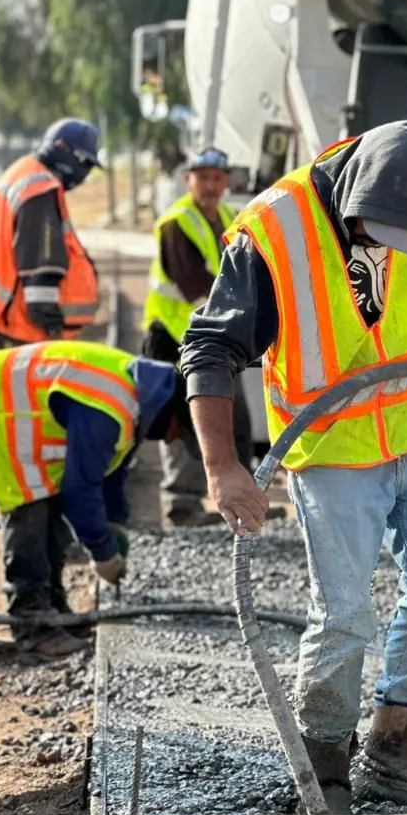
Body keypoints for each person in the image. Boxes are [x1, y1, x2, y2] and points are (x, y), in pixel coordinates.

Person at [180, 120, 407, 815]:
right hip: (332, 451)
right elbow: (208, 350)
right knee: (346, 614)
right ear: (353, 194)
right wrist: (223, 467)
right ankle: (323, 769)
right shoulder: (273, 231)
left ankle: (393, 753)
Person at [0, 341, 196, 658]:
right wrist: (103, 552)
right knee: (30, 505)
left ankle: (53, 610)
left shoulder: (137, 391)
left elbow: (111, 473)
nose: (172, 438)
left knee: (49, 499)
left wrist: (114, 527)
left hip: (4, 406)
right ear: (169, 411)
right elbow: (81, 491)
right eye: (177, 430)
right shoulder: (110, 406)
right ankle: (32, 624)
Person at [141, 147, 250, 529]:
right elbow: (196, 287)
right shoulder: (177, 222)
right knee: (181, 421)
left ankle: (241, 499)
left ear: (227, 182)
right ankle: (181, 506)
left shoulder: (226, 218)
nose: (210, 185)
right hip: (173, 338)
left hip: (212, 335)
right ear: (188, 180)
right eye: (202, 177)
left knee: (231, 413)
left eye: (217, 178)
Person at [0, 118, 103, 355]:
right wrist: (47, 321)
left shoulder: (22, 172)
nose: (83, 173)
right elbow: (39, 260)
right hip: (19, 324)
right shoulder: (40, 189)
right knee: (18, 389)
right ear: (62, 149)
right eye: (84, 162)